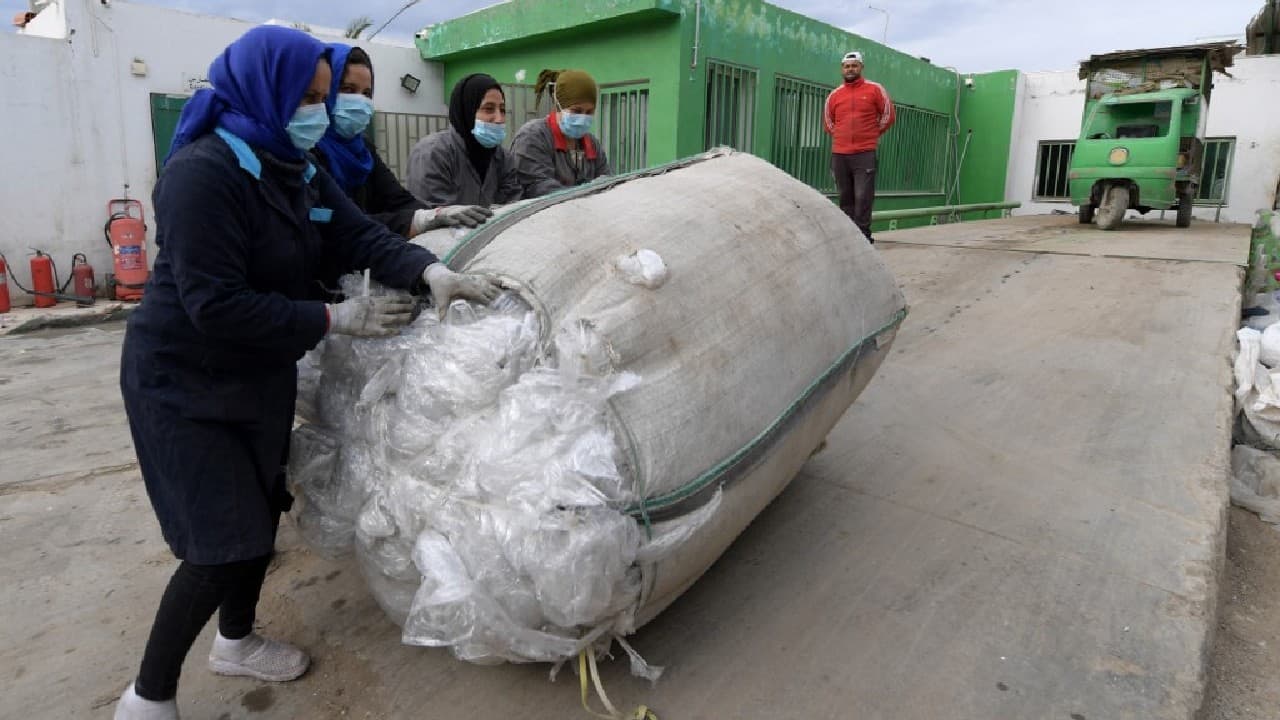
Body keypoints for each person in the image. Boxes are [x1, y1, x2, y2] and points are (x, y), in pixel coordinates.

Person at [113, 26, 502, 720]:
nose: (320, 112)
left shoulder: (298, 165)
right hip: (184, 379)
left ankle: (234, 640)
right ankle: (147, 697)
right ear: (265, 93)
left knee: (260, 517)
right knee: (216, 546)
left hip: (258, 370)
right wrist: (332, 320)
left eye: (326, 98)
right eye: (310, 98)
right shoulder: (202, 176)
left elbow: (356, 232)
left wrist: (431, 270)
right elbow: (215, 305)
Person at [312, 43, 491, 240]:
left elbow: (397, 199)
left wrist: (437, 214)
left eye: (366, 94)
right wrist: (420, 220)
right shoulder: (309, 151)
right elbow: (338, 222)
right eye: (347, 89)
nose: (359, 102)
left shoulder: (362, 150)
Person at [407, 73, 522, 208]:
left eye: (502, 110)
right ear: (466, 110)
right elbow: (434, 214)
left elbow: (512, 208)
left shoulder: (503, 158)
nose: (499, 119)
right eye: (489, 109)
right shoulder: (433, 153)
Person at [824, 50, 895, 244]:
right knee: (845, 196)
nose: (850, 69)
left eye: (854, 65)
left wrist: (871, 135)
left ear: (861, 67)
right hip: (840, 154)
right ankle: (848, 237)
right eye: (847, 66)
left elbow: (888, 116)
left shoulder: (874, 89)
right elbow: (828, 122)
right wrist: (842, 137)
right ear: (842, 69)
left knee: (863, 196)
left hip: (864, 154)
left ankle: (862, 236)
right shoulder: (834, 95)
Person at [510, 69, 612, 198]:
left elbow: (607, 181)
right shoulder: (532, 137)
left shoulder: (591, 144)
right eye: (576, 110)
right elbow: (538, 187)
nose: (582, 118)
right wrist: (589, 193)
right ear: (558, 106)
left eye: (589, 112)